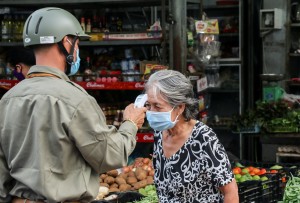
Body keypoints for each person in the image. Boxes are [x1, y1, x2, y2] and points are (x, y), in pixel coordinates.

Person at [0, 7, 147, 203]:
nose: (77, 50)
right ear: (66, 42)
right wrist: (130, 123)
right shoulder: (75, 99)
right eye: (77, 43)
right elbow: (109, 156)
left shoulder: (8, 99)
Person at [144, 69, 239, 203]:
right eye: (148, 105)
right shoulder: (160, 133)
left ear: (180, 107)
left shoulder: (203, 138)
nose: (151, 112)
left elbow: (230, 192)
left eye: (157, 106)